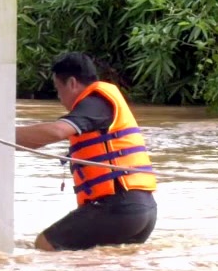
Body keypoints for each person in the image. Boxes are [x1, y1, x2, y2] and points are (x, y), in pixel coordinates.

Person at [15, 52, 158, 251]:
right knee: (98, 270)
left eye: (58, 89)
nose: (59, 98)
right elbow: (42, 139)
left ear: (72, 83)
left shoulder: (95, 103)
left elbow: (57, 131)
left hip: (119, 208)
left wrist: (0, 134)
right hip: (143, 211)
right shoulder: (98, 104)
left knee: (45, 243)